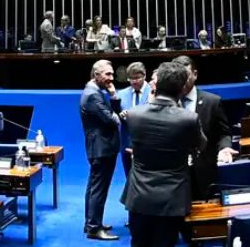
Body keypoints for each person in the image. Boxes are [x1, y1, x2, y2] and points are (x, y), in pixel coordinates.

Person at [122, 61, 205, 247]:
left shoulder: (134, 114)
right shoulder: (188, 118)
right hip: (172, 197)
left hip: (139, 194)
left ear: (156, 85)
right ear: (182, 88)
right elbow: (200, 144)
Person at [171, 55, 235, 200]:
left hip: (204, 172)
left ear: (195, 74)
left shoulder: (212, 102)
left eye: (185, 75)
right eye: (177, 76)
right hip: (175, 176)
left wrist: (224, 148)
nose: (181, 80)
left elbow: (224, 133)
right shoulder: (167, 103)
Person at [80, 60, 121, 241]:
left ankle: (91, 223)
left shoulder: (94, 92)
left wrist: (112, 98)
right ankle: (94, 228)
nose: (111, 78)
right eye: (107, 74)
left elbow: (111, 115)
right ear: (96, 75)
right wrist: (114, 101)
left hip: (99, 147)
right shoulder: (92, 95)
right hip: (102, 148)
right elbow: (112, 120)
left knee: (94, 187)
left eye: (112, 74)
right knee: (99, 189)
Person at [116, 62, 149, 175]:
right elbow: (115, 115)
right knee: (129, 177)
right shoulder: (121, 94)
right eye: (131, 78)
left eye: (137, 78)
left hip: (147, 143)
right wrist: (121, 115)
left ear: (144, 75)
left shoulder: (153, 92)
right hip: (127, 143)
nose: (134, 81)